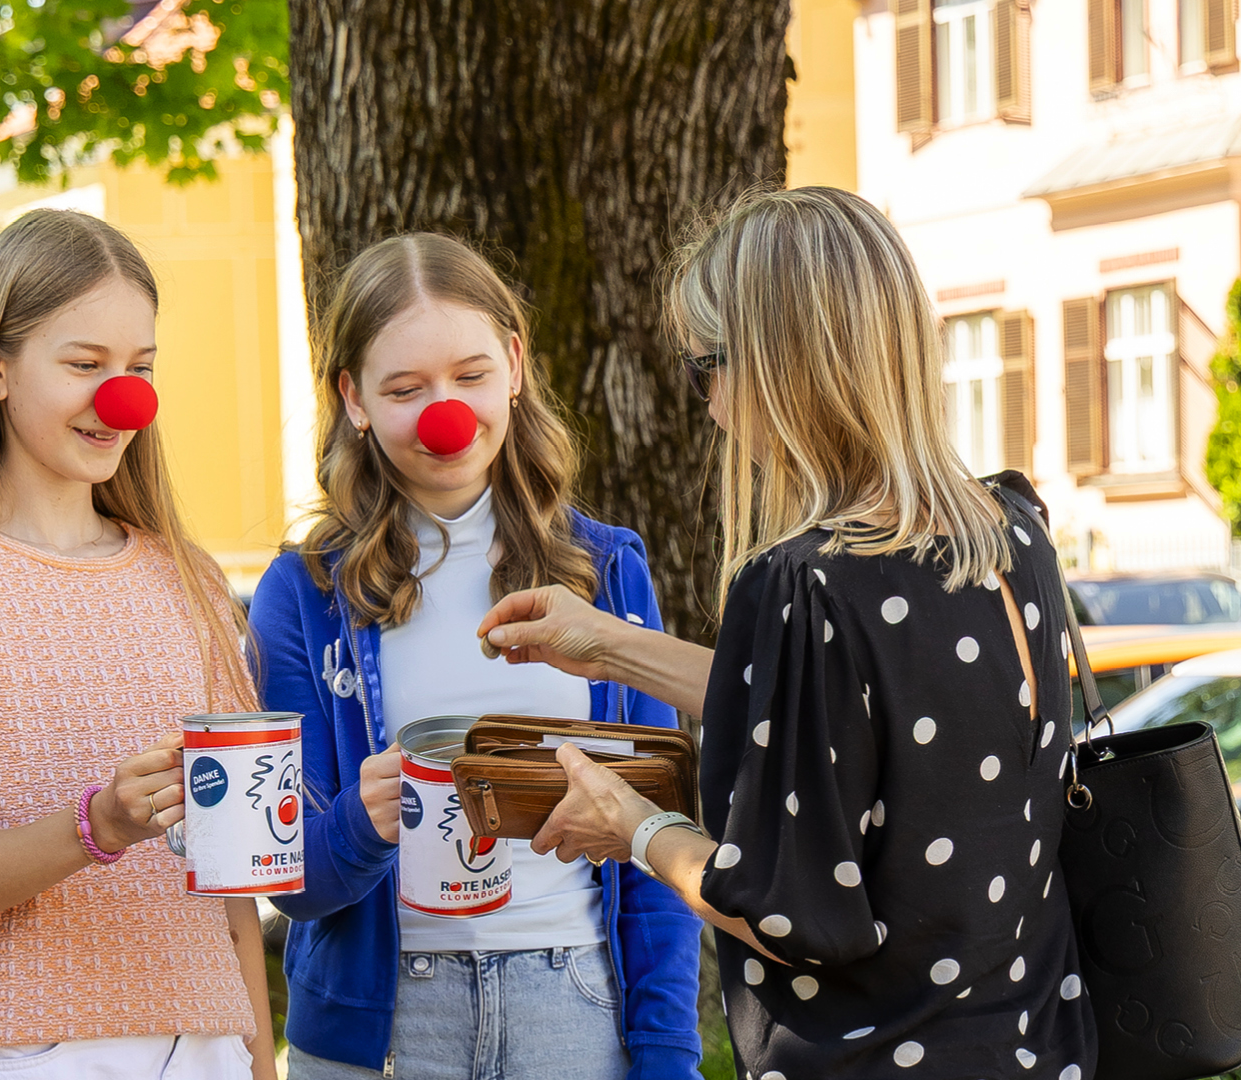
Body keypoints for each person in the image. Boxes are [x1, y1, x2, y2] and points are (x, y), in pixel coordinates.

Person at [479, 186, 1095, 1078]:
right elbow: (843, 724)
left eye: (707, 367)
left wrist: (634, 825)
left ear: (778, 366)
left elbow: (787, 914)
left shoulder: (807, 584)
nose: (710, 405)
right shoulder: (1010, 528)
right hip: (1039, 1050)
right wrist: (606, 644)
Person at [247, 233, 704, 1080]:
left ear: (515, 367)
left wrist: (668, 1051)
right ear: (353, 399)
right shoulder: (302, 595)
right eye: (404, 389)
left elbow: (659, 840)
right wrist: (359, 823)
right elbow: (290, 881)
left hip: (572, 1008)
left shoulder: (607, 571)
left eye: (470, 375)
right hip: (379, 1034)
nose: (445, 413)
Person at [0, 208, 276, 1080]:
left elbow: (233, 875)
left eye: (139, 368)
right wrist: (98, 825)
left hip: (208, 1048)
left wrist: (258, 1063)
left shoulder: (188, 577)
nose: (122, 399)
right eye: (85, 365)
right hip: (27, 1053)